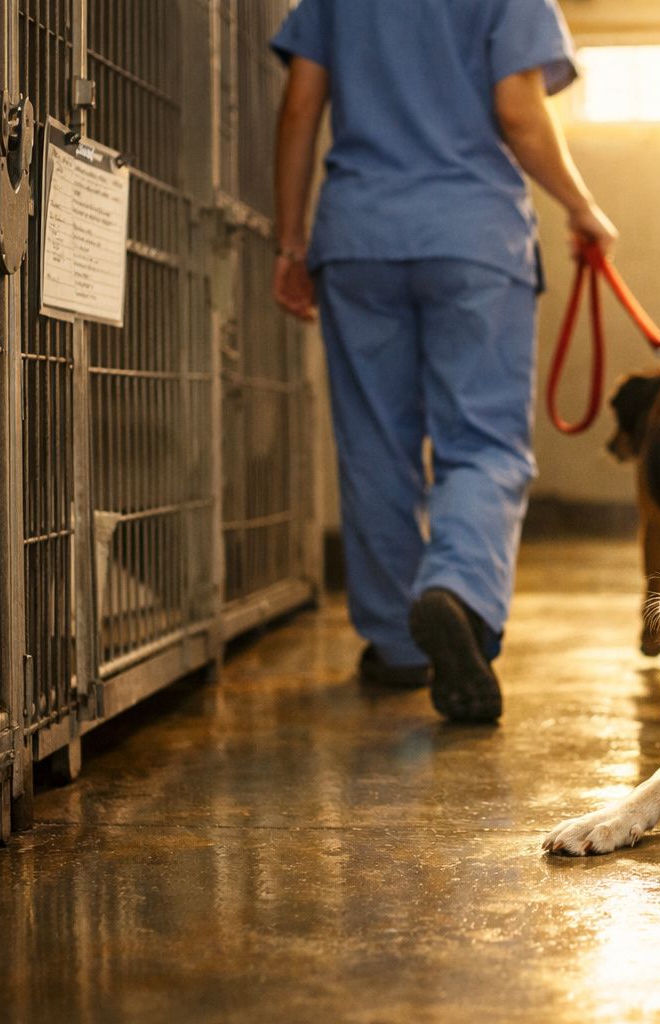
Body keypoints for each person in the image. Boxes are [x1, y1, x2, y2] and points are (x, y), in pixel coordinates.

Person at [271, 0, 617, 723]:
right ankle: (458, 591)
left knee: (374, 448)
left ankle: (399, 646)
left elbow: (301, 106)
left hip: (358, 233)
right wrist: (581, 206)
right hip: (472, 235)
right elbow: (519, 112)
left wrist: (290, 241)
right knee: (482, 443)